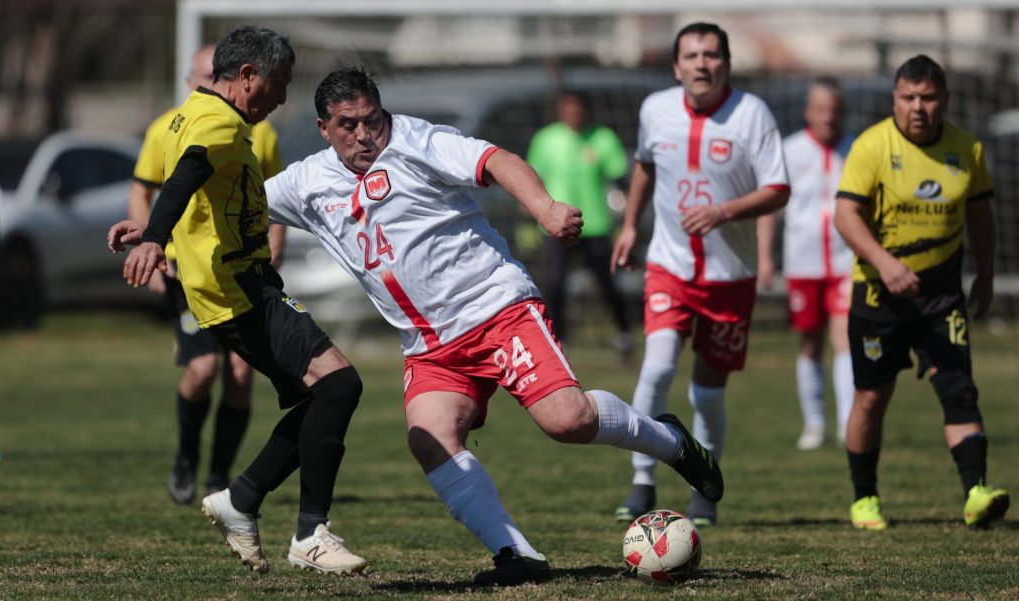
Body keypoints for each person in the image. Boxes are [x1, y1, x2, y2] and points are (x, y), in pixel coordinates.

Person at [263, 66, 724, 586]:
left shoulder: (419, 141)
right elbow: (243, 205)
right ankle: (517, 555)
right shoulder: (306, 180)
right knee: (430, 437)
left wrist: (545, 208)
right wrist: (160, 233)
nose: (366, 134)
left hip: (496, 310)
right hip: (429, 345)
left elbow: (496, 160)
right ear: (324, 128)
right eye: (349, 125)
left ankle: (671, 442)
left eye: (374, 120)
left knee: (566, 420)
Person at [108, 26, 368, 576]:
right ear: (247, 76)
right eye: (277, 85)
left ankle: (242, 500)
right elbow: (188, 173)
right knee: (340, 385)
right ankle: (309, 533)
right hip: (238, 291)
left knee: (322, 396)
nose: (280, 98)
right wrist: (156, 236)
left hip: (236, 288)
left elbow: (195, 192)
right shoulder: (219, 123)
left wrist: (157, 228)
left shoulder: (189, 114)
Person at [610, 22, 790, 526]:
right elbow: (644, 166)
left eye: (711, 55)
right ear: (676, 66)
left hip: (731, 276)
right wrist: (629, 227)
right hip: (670, 266)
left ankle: (704, 486)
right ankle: (642, 478)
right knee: (658, 367)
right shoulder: (655, 110)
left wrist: (724, 211)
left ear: (726, 64)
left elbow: (779, 189)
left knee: (708, 389)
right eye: (691, 55)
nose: (701, 64)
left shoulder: (752, 115)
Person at [834, 55, 1009, 530]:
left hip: (940, 297)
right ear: (895, 98)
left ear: (944, 101)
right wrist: (886, 264)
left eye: (927, 98)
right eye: (908, 97)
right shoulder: (872, 146)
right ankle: (864, 498)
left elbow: (980, 218)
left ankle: (975, 493)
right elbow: (845, 217)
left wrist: (987, 275)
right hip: (878, 296)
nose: (918, 107)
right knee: (871, 397)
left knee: (960, 392)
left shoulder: (967, 150)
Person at [128, 44, 288, 505]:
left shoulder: (259, 132)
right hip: (188, 269)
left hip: (241, 269)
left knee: (240, 373)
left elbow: (272, 195)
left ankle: (219, 474)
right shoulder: (169, 128)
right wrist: (153, 245)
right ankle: (185, 458)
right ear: (192, 82)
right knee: (202, 368)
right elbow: (148, 190)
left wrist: (276, 243)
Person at [758, 78, 855, 450]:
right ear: (808, 111)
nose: (828, 116)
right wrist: (766, 256)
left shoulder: (857, 148)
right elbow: (770, 207)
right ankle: (814, 424)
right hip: (803, 263)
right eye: (821, 109)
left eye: (835, 109)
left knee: (845, 339)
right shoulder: (789, 151)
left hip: (848, 262)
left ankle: (848, 423)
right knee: (810, 343)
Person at [526, 91, 632, 359]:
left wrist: (630, 214)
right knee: (556, 282)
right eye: (568, 108)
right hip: (555, 226)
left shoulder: (603, 138)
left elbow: (619, 177)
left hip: (594, 223)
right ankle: (560, 340)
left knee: (607, 283)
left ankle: (624, 335)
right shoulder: (546, 139)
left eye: (578, 108)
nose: (573, 113)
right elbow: (531, 179)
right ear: (561, 111)